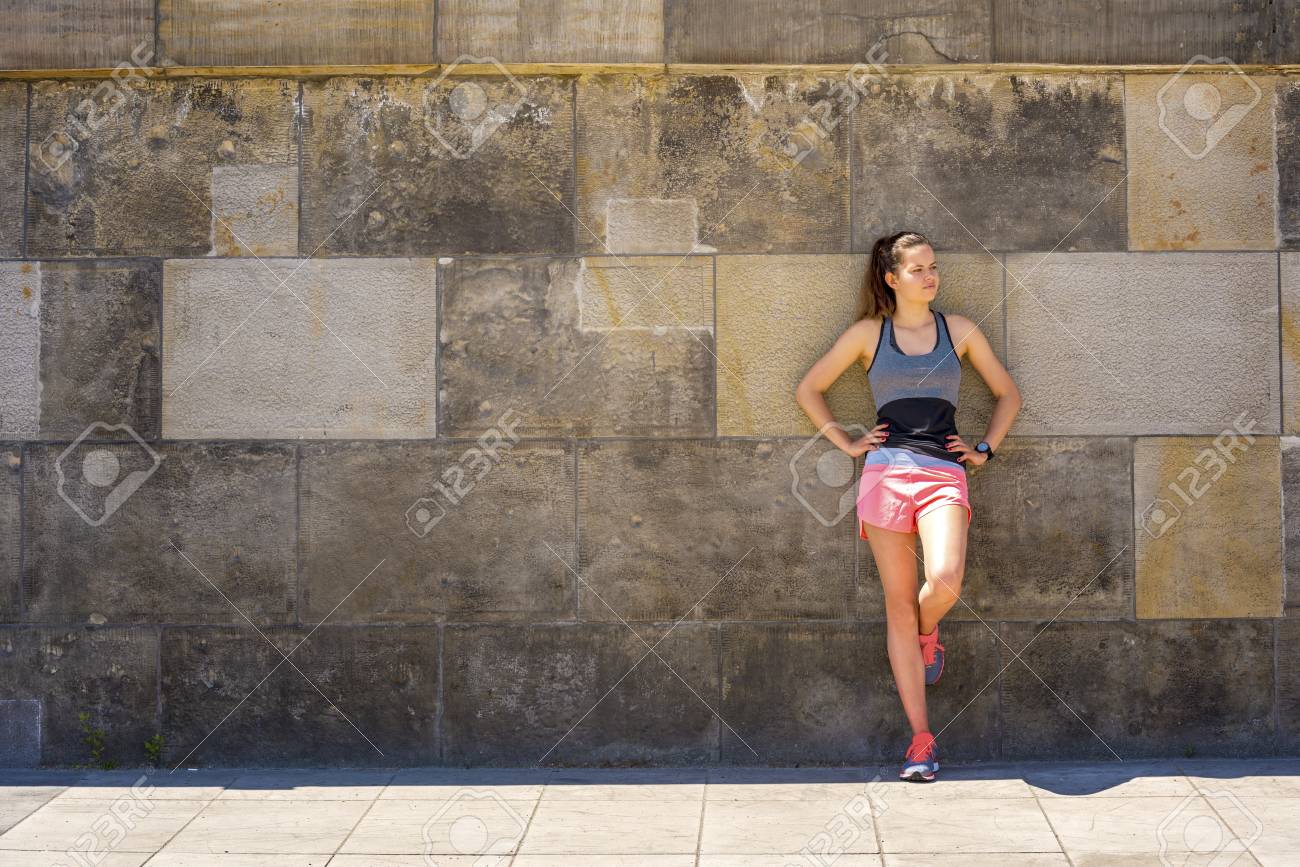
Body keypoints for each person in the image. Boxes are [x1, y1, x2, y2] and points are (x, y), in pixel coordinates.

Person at [794, 231, 1022, 782]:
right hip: (885, 475)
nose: (930, 276)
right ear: (892, 279)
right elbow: (809, 389)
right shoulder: (869, 335)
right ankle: (921, 740)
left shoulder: (960, 330)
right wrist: (847, 443)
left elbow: (1008, 395)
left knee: (944, 579)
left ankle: (926, 634)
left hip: (944, 472)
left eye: (933, 267)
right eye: (917, 269)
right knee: (897, 602)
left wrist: (983, 449)